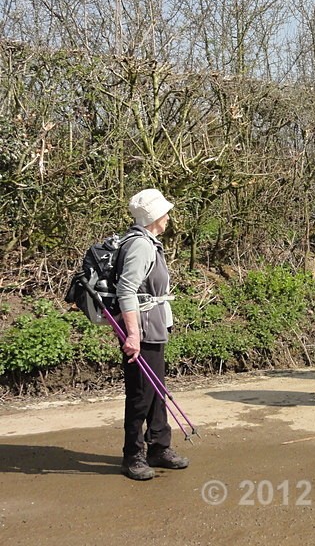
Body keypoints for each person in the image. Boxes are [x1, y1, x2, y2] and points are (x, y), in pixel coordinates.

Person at [118, 188, 189, 479]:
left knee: (156, 390)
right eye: (165, 212)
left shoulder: (149, 242)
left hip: (153, 326)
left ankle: (159, 446)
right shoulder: (140, 246)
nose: (169, 217)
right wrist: (133, 335)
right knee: (141, 395)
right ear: (154, 216)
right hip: (143, 330)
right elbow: (126, 290)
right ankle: (133, 455)